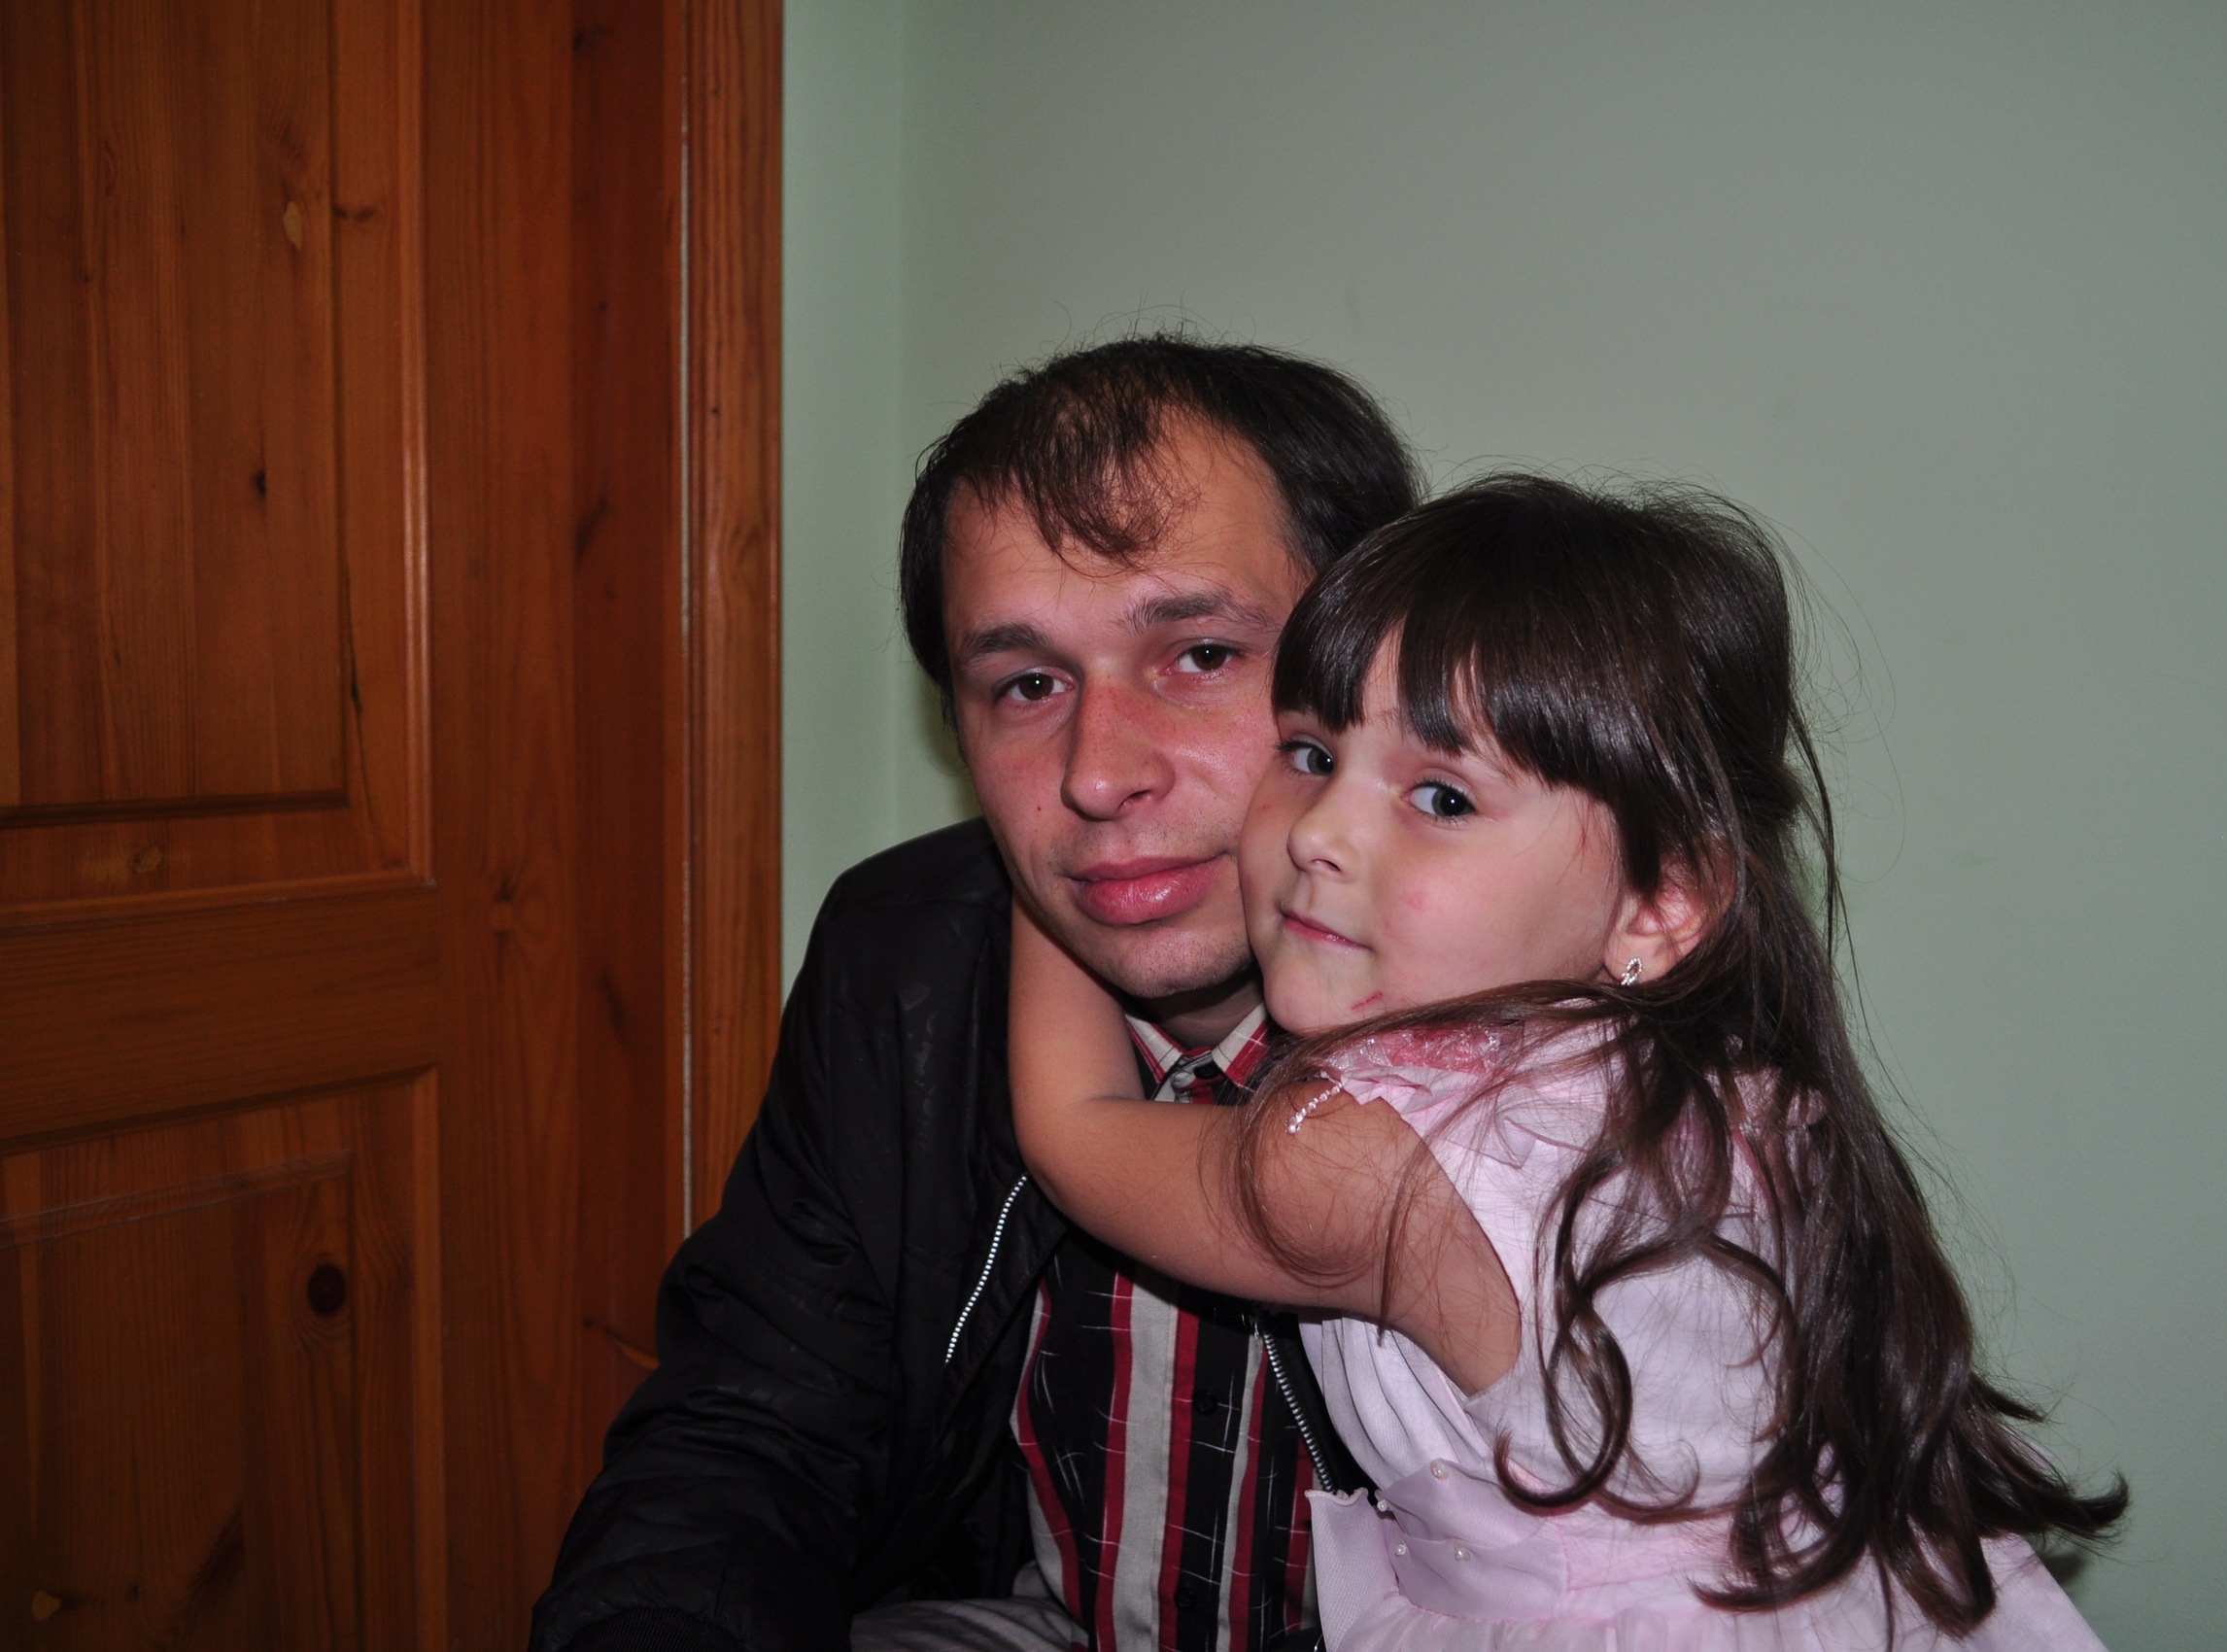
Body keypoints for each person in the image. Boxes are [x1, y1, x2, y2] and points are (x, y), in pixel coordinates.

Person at [1009, 476, 2127, 1648]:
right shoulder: (1715, 1085)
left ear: (1659, 903)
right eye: (1309, 751)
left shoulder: (1375, 1166)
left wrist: (1074, 841)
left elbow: (1075, 1125)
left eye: (1441, 796)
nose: (1321, 831)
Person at [531, 337, 1422, 1652]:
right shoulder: (905, 963)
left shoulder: (1535, 1038)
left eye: (1199, 654)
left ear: (1379, 671)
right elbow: (756, 1428)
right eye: (1028, 685)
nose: (1097, 774)